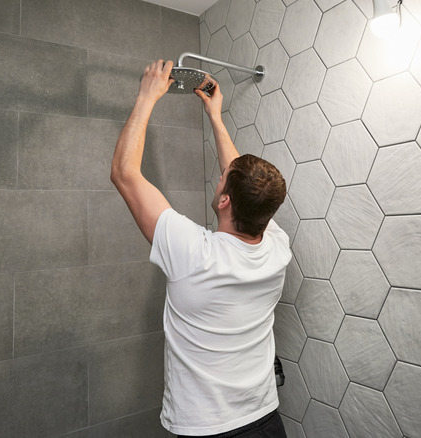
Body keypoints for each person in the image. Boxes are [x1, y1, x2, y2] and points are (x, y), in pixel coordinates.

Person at [111, 59, 291, 438]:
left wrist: (147, 97)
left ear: (225, 200)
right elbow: (242, 182)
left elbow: (125, 174)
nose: (220, 177)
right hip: (265, 419)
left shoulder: (193, 253)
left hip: (207, 429)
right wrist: (216, 116)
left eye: (222, 180)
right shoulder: (277, 247)